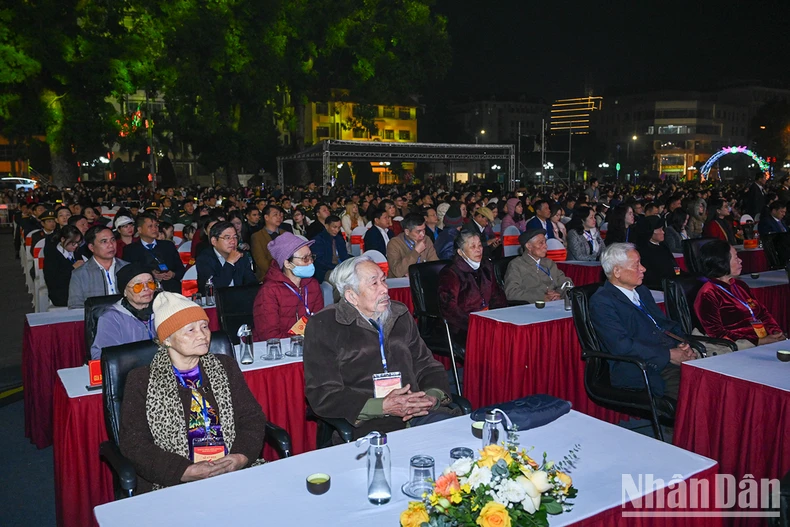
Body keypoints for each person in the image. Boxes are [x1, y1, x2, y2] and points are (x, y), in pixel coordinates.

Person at [119, 292, 267, 493]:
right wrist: (184, 471)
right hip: (174, 480)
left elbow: (252, 418)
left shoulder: (225, 367)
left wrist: (240, 457)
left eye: (204, 326)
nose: (202, 335)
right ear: (167, 340)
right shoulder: (142, 380)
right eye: (190, 330)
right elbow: (134, 444)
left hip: (231, 469)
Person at [304, 256, 457, 441]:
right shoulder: (325, 325)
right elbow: (323, 392)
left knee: (456, 444)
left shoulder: (400, 314)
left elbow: (426, 365)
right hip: (368, 423)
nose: (385, 289)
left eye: (383, 280)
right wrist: (381, 406)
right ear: (351, 295)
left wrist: (432, 397)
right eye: (374, 283)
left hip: (419, 413)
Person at [590, 243, 696, 400]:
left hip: (667, 355)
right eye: (636, 265)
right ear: (617, 271)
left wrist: (681, 343)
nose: (643, 269)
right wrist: (668, 355)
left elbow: (664, 324)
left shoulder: (642, 291)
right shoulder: (602, 301)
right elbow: (622, 345)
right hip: (643, 367)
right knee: (694, 395)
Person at [694, 240, 785, 349]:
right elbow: (716, 333)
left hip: (762, 340)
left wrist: (775, 332)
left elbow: (762, 313)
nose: (740, 261)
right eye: (736, 257)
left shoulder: (740, 285)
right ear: (722, 262)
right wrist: (758, 341)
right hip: (738, 347)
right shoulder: (708, 294)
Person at [438, 230, 506, 346]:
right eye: (472, 247)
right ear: (460, 252)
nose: (478, 249)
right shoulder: (451, 273)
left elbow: (497, 295)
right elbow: (449, 308)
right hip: (464, 326)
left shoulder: (487, 266)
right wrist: (475, 322)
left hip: (488, 319)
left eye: (480, 245)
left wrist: (499, 316)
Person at [252, 232, 323, 341]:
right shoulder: (269, 291)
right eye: (305, 258)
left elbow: (320, 322)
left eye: (311, 257)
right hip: (277, 348)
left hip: (307, 344)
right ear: (287, 264)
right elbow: (269, 335)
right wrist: (299, 341)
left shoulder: (313, 285)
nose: (310, 262)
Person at [90, 264, 157, 359]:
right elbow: (102, 358)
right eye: (138, 286)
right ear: (125, 291)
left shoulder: (162, 310)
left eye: (150, 283)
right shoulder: (111, 318)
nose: (146, 288)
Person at [504, 228, 572, 304]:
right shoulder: (516, 265)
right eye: (541, 243)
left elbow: (567, 282)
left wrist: (558, 293)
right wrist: (541, 297)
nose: (546, 246)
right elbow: (511, 292)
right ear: (529, 246)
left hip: (555, 303)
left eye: (545, 242)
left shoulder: (549, 263)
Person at [122, 213, 186, 293]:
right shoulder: (130, 250)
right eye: (150, 226)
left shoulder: (168, 246)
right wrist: (151, 275)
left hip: (171, 289)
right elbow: (128, 275)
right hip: (144, 291)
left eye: (156, 226)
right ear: (139, 229)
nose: (154, 229)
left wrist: (173, 274)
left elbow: (181, 269)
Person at [68, 226, 129, 308]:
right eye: (104, 241)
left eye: (113, 240)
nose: (111, 245)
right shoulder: (80, 274)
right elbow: (75, 307)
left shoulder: (127, 268)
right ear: (91, 247)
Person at [195, 221, 257, 295]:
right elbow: (213, 288)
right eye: (227, 238)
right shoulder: (204, 259)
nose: (233, 241)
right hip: (215, 303)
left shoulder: (241, 255)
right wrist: (230, 263)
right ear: (214, 241)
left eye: (235, 237)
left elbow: (251, 283)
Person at [635, 216, 685, 290]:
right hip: (660, 286)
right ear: (651, 232)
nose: (663, 232)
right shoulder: (643, 251)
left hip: (673, 282)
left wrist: (679, 275)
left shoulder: (663, 246)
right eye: (660, 230)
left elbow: (674, 266)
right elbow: (650, 277)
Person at [386, 212, 439, 278]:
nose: (422, 234)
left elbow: (435, 265)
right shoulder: (394, 243)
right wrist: (416, 252)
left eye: (424, 230)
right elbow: (398, 272)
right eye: (418, 231)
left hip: (422, 279)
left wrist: (415, 273)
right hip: (399, 284)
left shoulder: (426, 239)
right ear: (407, 232)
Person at [43, 225, 84, 307]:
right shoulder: (52, 255)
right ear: (62, 239)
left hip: (78, 290)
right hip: (61, 293)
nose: (76, 246)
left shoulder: (76, 252)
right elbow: (52, 280)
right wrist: (72, 268)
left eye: (78, 243)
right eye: (73, 243)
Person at [250, 205, 288, 281]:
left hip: (287, 274)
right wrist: (279, 273)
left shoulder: (286, 234)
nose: (279, 217)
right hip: (267, 276)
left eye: (280, 214)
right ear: (266, 217)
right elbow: (260, 261)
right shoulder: (257, 236)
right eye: (275, 215)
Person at [311, 214, 350, 282]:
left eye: (338, 228)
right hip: (325, 271)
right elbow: (319, 262)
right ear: (326, 226)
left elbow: (344, 256)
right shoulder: (318, 240)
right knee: (340, 281)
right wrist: (336, 268)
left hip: (340, 268)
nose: (337, 230)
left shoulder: (339, 239)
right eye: (334, 227)